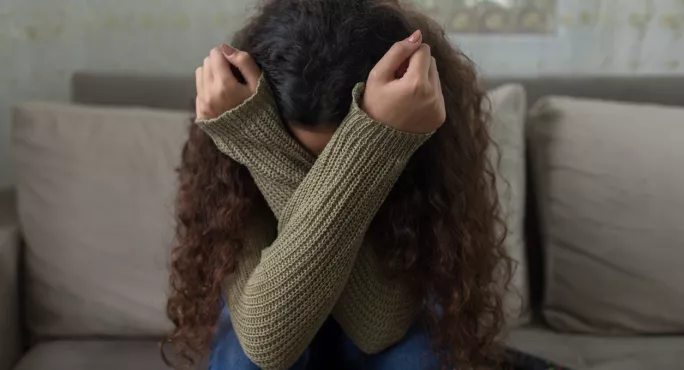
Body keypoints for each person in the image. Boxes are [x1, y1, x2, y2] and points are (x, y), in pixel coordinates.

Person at [164, 0, 512, 369]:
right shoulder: (236, 152)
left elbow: (378, 329)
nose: (318, 170)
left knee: (421, 360)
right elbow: (267, 342)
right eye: (301, 155)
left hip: (381, 320)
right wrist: (255, 139)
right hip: (271, 312)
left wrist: (377, 145)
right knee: (246, 363)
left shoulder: (421, 141)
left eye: (336, 158)